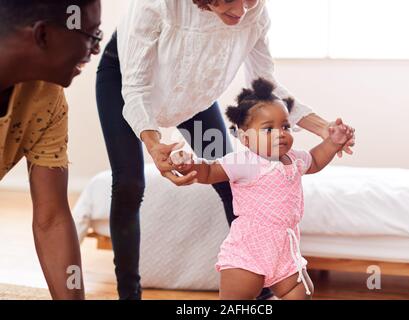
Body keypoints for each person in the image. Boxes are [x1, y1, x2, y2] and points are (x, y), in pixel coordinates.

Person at [96, 0, 355, 300]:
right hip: (126, 82)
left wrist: (325, 130)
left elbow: (266, 86)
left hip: (195, 97)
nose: (243, 10)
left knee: (233, 182)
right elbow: (137, 89)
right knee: (129, 184)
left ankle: (261, 288)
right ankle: (129, 295)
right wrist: (154, 144)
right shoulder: (158, 5)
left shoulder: (254, 12)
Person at [171, 78, 355, 299]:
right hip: (248, 253)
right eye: (268, 129)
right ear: (245, 138)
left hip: (284, 253)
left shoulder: (294, 159)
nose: (280, 133)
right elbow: (209, 172)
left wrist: (333, 143)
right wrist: (188, 164)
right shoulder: (244, 162)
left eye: (285, 126)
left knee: (302, 293)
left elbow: (315, 161)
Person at [0, 0, 102, 299]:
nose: (95, 49)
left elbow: (52, 218)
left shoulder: (47, 97)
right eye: (91, 35)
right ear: (43, 35)